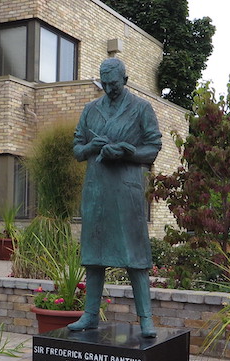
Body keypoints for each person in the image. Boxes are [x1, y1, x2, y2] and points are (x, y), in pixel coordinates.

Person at [67, 58, 162, 338]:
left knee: (136, 257)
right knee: (94, 256)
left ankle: (145, 319)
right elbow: (76, 148)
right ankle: (89, 315)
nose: (109, 89)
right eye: (104, 84)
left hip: (126, 190)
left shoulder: (141, 108)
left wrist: (127, 152)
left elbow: (153, 148)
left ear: (126, 80)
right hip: (97, 190)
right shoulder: (90, 110)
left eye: (114, 84)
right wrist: (89, 148)